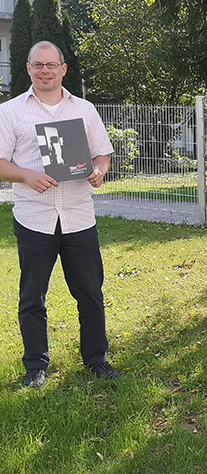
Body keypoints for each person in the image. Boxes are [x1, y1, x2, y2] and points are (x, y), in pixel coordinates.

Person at [0, 41, 120, 388]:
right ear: (28, 68)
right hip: (34, 217)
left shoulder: (83, 109)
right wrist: (26, 175)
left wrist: (99, 170)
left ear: (63, 68)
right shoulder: (10, 112)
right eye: (38, 65)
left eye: (52, 65)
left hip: (79, 217)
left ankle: (97, 360)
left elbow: (102, 154)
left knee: (90, 294)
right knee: (32, 296)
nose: (45, 71)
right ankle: (35, 365)